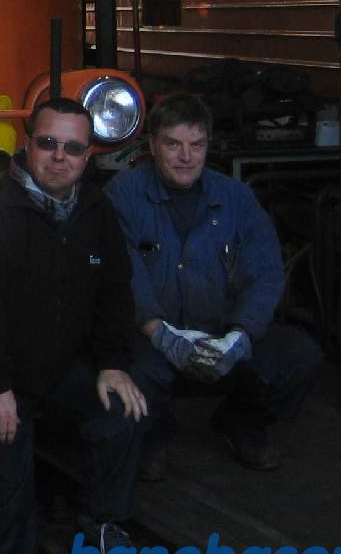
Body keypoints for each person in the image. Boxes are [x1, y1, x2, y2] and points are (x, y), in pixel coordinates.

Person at [0, 97, 147, 554]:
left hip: (58, 372)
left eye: (74, 148)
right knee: (9, 507)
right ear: (28, 144)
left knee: (124, 408)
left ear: (87, 155)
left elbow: (116, 292)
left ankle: (103, 525)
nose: (60, 156)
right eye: (48, 143)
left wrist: (113, 363)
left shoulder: (97, 211)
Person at [106, 93, 322, 476]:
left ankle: (241, 422)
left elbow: (266, 272)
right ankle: (153, 433)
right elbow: (121, 272)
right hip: (153, 339)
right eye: (173, 144)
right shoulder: (123, 195)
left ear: (208, 145)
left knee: (299, 355)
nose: (186, 156)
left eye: (197, 145)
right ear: (152, 145)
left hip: (221, 336)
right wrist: (157, 331)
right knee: (124, 368)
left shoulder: (236, 198)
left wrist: (240, 334)